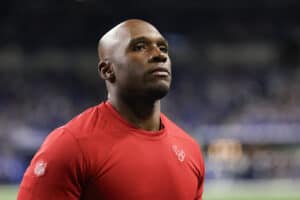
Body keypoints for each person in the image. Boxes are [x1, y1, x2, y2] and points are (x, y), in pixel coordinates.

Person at [17, 19, 205, 200]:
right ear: (107, 70)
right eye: (139, 47)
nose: (159, 55)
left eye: (163, 48)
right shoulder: (71, 146)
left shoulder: (190, 149)